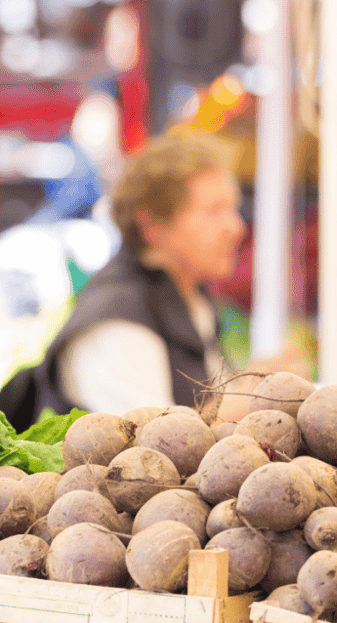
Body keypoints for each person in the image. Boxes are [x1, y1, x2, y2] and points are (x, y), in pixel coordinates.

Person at [25, 131, 305, 421]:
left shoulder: (189, 296)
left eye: (233, 208)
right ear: (152, 226)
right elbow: (148, 438)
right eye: (214, 211)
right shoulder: (115, 325)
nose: (236, 227)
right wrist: (251, 402)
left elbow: (199, 404)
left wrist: (251, 381)